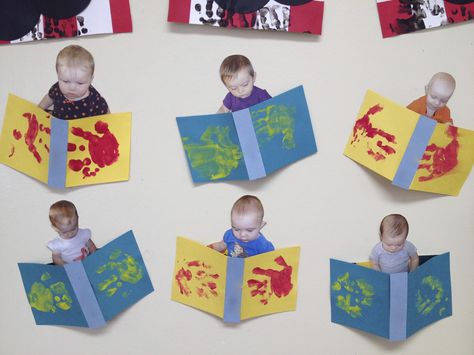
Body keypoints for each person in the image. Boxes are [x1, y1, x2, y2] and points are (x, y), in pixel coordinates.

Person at [38, 45, 109, 120]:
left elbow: (106, 112)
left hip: (82, 128)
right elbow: (49, 97)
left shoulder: (94, 99)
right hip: (59, 121)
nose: (72, 88)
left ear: (90, 79)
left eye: (80, 83)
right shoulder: (57, 89)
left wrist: (110, 123)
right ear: (58, 75)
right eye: (65, 81)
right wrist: (39, 108)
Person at [209, 195, 274, 257]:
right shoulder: (230, 234)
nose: (242, 234)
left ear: (261, 225)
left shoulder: (263, 245)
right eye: (237, 229)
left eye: (249, 230)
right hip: (230, 266)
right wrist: (209, 249)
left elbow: (270, 259)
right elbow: (222, 245)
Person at [47, 200, 97, 265]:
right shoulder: (58, 244)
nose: (70, 234)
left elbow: (91, 246)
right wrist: (65, 266)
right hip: (70, 266)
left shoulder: (83, 234)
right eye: (65, 232)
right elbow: (56, 259)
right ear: (55, 228)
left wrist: (94, 257)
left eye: (73, 229)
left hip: (87, 261)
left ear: (77, 220)